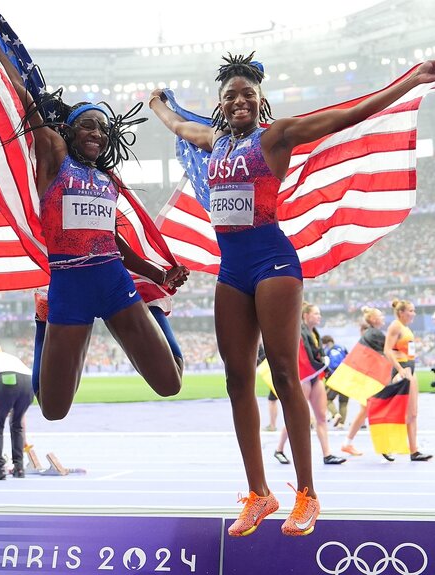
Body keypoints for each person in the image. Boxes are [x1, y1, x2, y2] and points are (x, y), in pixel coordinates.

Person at [148, 52, 434, 537]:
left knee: (283, 371)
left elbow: (348, 115)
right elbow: (179, 127)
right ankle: (259, 493)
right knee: (237, 379)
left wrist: (411, 80)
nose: (239, 100)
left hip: (273, 263)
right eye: (230, 95)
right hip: (232, 268)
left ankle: (307, 494)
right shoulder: (214, 141)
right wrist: (157, 105)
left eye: (247, 93)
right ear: (220, 105)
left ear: (259, 101)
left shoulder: (275, 136)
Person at [0, 0, 183, 421]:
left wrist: (156, 275)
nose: (97, 133)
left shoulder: (107, 180)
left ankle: (154, 311)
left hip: (113, 279)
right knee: (53, 409)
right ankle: (42, 322)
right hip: (67, 286)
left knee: (170, 382)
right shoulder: (53, 157)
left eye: (103, 130)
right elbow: (24, 98)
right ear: (68, 130)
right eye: (88, 124)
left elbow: (112, 241)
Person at [273, 304, 346, 466]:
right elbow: (304, 355)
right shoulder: (298, 330)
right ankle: (279, 449)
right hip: (304, 376)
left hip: (315, 375)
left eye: (319, 313)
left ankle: (327, 454)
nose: (319, 316)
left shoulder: (315, 333)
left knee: (321, 416)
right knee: (297, 416)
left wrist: (324, 368)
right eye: (316, 313)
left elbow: (317, 354)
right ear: (306, 315)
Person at [383, 299, 431, 461]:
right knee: (398, 412)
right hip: (402, 370)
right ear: (401, 312)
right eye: (410, 310)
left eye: (414, 310)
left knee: (413, 413)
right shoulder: (395, 326)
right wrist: (400, 370)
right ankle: (387, 445)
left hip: (411, 368)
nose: (413, 314)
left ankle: (414, 450)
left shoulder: (406, 328)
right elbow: (387, 350)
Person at [0, 341, 34, 480]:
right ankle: (19, 468)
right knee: (17, 425)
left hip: (8, 379)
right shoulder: (10, 357)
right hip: (29, 382)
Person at [340, 307, 386, 457]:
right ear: (373, 319)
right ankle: (383, 447)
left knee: (366, 411)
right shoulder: (375, 334)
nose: (383, 317)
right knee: (372, 410)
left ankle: (347, 443)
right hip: (367, 378)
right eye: (380, 315)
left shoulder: (372, 333)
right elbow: (387, 353)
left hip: (366, 377)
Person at [322, 335, 349, 427]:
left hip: (335, 377)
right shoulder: (342, 348)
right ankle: (341, 424)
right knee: (343, 402)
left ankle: (335, 414)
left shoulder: (327, 351)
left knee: (326, 399)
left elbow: (327, 365)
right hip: (346, 377)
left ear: (327, 343)